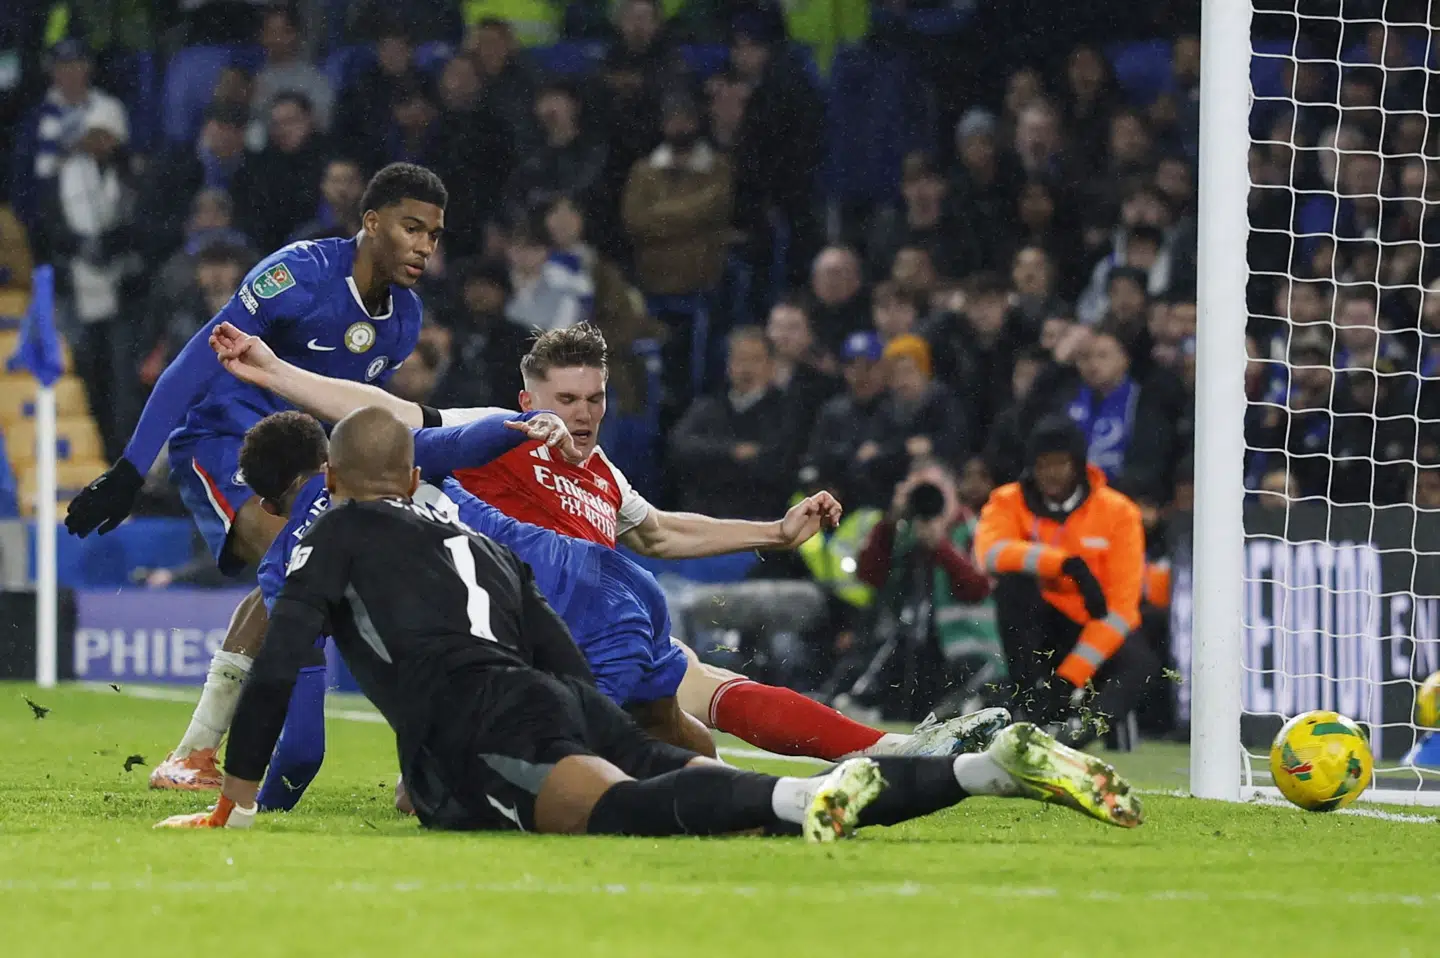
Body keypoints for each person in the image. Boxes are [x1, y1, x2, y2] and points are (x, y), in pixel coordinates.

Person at [155, 407, 1143, 835]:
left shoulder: (325, 536)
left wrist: (243, 799)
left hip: (486, 722)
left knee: (630, 809)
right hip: (570, 655)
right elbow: (541, 628)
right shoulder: (479, 523)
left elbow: (286, 661)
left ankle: (804, 804)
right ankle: (978, 766)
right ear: (417, 476)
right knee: (697, 759)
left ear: (326, 482)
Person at [203, 321, 1005, 766]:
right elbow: (382, 411)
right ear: (531, 397)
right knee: (645, 751)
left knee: (699, 695)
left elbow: (659, 531)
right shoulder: (499, 435)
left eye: (596, 397)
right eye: (567, 397)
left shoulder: (603, 474)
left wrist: (776, 531)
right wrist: (273, 372)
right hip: (513, 641)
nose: (584, 413)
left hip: (594, 632)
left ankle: (897, 753)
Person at [64, 163, 446, 788]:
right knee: (301, 560)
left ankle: (193, 754)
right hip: (223, 443)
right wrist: (132, 468)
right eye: (412, 229)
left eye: (433, 234)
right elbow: (193, 363)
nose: (425, 247)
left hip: (305, 457)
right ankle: (396, 749)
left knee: (303, 567)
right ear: (371, 223)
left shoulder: (403, 320)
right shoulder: (295, 275)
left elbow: (349, 414)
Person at [973, 416, 1162, 748]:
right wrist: (1066, 566)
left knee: (1141, 662)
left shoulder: (1119, 513)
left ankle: (1079, 734)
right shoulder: (1007, 500)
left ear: (1078, 465)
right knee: (1014, 586)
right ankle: (1031, 705)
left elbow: (1121, 610)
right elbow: (990, 554)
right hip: (1041, 628)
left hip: (1098, 627)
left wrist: (1068, 680)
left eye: (1061, 463)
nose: (1051, 473)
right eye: (1043, 464)